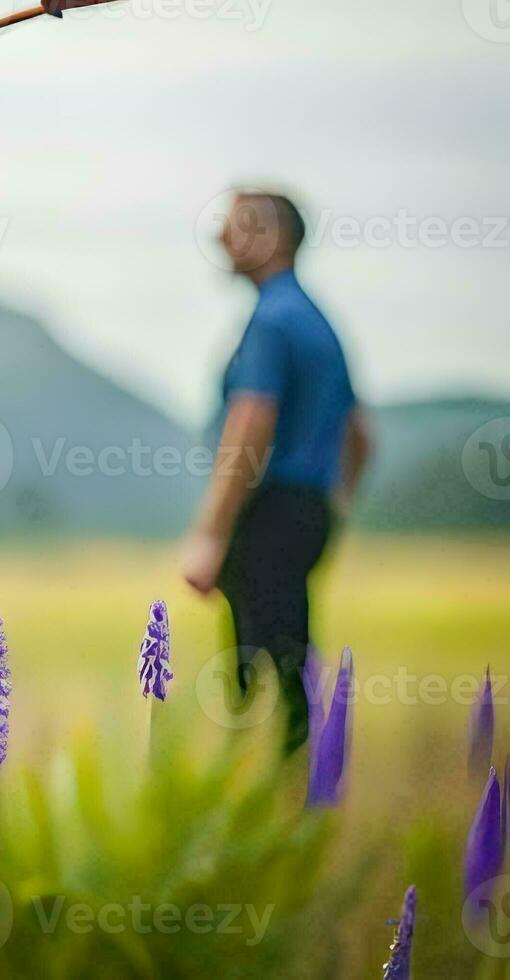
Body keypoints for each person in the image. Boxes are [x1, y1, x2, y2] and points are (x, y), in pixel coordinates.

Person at [182, 191, 372, 753]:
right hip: (306, 511)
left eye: (237, 224)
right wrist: (331, 505)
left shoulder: (270, 319)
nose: (220, 236)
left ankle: (262, 808)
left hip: (266, 516)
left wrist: (210, 535)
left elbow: (250, 422)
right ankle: (305, 794)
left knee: (250, 683)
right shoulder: (318, 322)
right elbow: (361, 435)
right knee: (293, 666)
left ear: (275, 238)